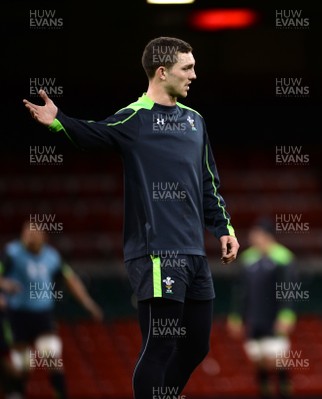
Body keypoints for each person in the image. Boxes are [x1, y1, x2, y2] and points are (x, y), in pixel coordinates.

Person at [22, 36, 240, 399]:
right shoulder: (135, 118)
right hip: (156, 252)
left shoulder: (195, 122)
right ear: (162, 71)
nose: (194, 75)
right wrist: (58, 120)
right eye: (187, 68)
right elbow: (93, 133)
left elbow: (208, 182)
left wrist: (224, 229)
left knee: (196, 345)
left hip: (194, 253)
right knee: (161, 344)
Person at [0, 221, 104, 399]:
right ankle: (16, 393)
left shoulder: (52, 257)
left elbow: (71, 280)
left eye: (34, 233)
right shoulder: (12, 253)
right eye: (26, 233)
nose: (30, 237)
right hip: (17, 316)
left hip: (43, 316)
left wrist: (88, 303)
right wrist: (4, 285)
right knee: (24, 365)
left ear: (44, 237)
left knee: (52, 357)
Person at [227, 220, 297, 399]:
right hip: (254, 319)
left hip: (274, 318)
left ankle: (284, 392)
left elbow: (289, 288)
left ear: (267, 236)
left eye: (256, 234)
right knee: (259, 361)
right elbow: (241, 290)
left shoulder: (283, 257)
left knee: (277, 360)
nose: (252, 238)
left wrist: (286, 315)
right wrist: (236, 316)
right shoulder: (248, 258)